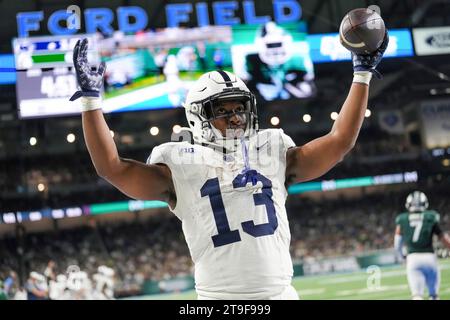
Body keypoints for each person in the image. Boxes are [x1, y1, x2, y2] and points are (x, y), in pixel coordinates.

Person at [69, 31, 388, 300]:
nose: (235, 116)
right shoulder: (178, 164)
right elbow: (111, 167)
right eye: (223, 110)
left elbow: (340, 141)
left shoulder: (272, 150)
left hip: (280, 293)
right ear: (199, 116)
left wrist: (361, 75)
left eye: (240, 108)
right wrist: (91, 102)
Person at [394, 191, 450, 300]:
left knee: (417, 295)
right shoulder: (430, 217)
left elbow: (397, 243)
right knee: (433, 295)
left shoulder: (403, 219)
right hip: (430, 257)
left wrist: (401, 257)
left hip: (413, 258)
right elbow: (443, 238)